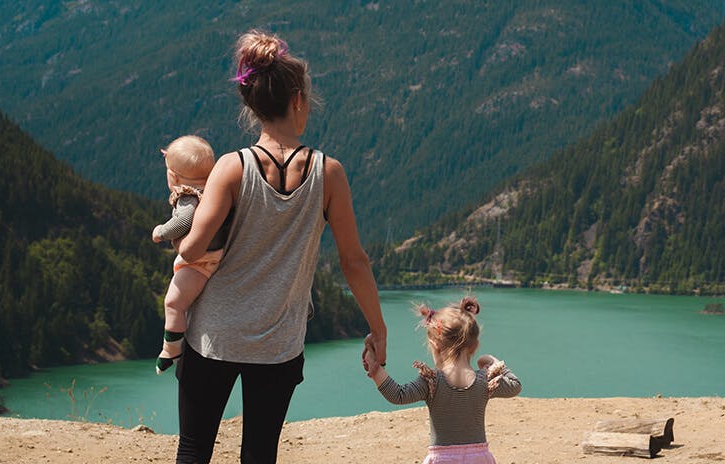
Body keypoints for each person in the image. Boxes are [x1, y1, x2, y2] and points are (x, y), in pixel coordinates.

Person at [173, 29, 388, 463]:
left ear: (253, 106)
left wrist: (180, 204)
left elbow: (191, 250)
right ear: (298, 102)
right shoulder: (330, 174)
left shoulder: (232, 168)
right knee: (260, 454)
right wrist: (378, 329)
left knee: (194, 450)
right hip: (279, 344)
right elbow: (354, 261)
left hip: (214, 336)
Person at [365, 296, 522, 464]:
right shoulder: (484, 381)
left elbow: (398, 395)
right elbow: (515, 385)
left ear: (434, 344)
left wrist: (375, 368)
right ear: (474, 345)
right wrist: (493, 362)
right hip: (479, 460)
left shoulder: (432, 381)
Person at [150, 135, 223, 374]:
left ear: (173, 176)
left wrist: (161, 232)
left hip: (201, 262)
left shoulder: (188, 197)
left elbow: (183, 222)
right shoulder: (215, 190)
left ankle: (170, 349)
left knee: (173, 303)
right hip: (220, 254)